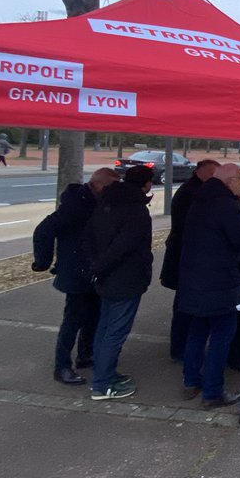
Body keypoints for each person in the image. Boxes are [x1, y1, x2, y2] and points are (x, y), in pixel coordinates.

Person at [177, 163, 240, 408]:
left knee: (197, 331)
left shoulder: (199, 200)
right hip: (220, 283)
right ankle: (213, 392)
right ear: (230, 180)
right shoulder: (227, 206)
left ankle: (191, 380)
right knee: (221, 336)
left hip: (194, 280)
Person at [32, 167, 119, 385]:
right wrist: (42, 262)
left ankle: (85, 355)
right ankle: (62, 366)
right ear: (97, 185)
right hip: (76, 271)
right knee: (73, 320)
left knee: (93, 315)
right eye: (110, 187)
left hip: (93, 270)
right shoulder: (75, 204)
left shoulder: (97, 201)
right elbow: (44, 230)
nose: (113, 191)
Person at [84, 164, 155, 400]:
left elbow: (91, 236)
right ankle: (103, 384)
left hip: (105, 277)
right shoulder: (136, 210)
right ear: (146, 184)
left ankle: (104, 373)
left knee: (104, 327)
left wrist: (96, 267)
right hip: (125, 278)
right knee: (115, 331)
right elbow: (126, 245)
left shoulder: (105, 202)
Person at [160, 159, 220, 361]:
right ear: (200, 172)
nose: (215, 178)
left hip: (185, 257)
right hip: (184, 258)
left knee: (185, 305)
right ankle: (179, 348)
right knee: (185, 307)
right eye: (212, 173)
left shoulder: (193, 190)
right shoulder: (192, 194)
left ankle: (181, 346)